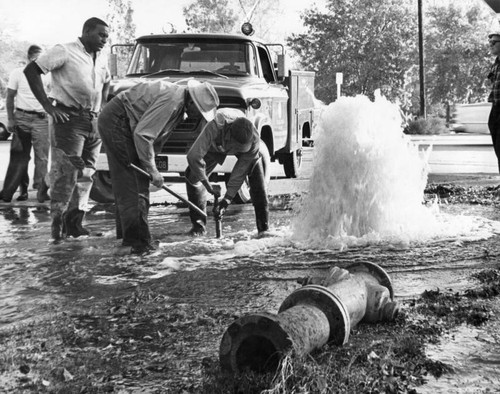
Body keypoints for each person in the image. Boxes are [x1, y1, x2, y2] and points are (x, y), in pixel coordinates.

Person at [98, 79, 219, 255]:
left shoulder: (179, 105)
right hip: (118, 120)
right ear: (192, 101)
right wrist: (152, 170)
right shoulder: (172, 101)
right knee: (133, 184)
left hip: (125, 121)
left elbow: (155, 139)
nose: (198, 116)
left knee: (133, 183)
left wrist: (150, 165)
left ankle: (131, 237)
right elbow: (144, 135)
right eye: (199, 111)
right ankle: (137, 243)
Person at [24, 17, 110, 241]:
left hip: (93, 121)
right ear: (87, 31)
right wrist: (47, 106)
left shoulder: (101, 58)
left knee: (86, 174)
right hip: (69, 120)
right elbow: (32, 70)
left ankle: (74, 225)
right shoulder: (64, 51)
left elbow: (107, 81)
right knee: (65, 175)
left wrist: (102, 109)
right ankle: (57, 229)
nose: (105, 40)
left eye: (107, 36)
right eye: (101, 35)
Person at [185, 107, 269, 237]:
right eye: (236, 148)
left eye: (242, 150)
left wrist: (226, 201)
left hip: (237, 145)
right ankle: (199, 228)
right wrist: (208, 185)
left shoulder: (254, 141)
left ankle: (263, 229)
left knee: (255, 173)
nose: (238, 152)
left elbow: (239, 172)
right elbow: (193, 156)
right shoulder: (215, 125)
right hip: (213, 146)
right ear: (229, 137)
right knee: (193, 176)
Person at [0, 45, 50, 203]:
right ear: (29, 58)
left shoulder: (49, 75)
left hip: (42, 119)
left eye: (41, 59)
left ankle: (41, 190)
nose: (39, 62)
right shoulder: (17, 73)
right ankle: (13, 191)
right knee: (19, 156)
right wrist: (10, 119)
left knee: (42, 158)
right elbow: (10, 97)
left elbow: (56, 95)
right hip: (21, 117)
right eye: (36, 59)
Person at [488, 31, 500, 174]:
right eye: (489, 43)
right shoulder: (495, 64)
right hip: (495, 108)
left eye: (494, 42)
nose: (490, 45)